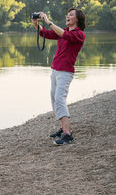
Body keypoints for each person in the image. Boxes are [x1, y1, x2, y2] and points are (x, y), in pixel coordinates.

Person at [32, 8, 86, 145]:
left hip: (65, 72)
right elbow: (46, 34)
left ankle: (67, 134)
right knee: (54, 98)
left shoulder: (79, 34)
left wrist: (48, 21)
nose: (67, 16)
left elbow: (63, 35)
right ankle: (63, 129)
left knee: (60, 99)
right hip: (56, 70)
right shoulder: (64, 31)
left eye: (71, 15)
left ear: (77, 19)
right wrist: (36, 23)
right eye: (67, 13)